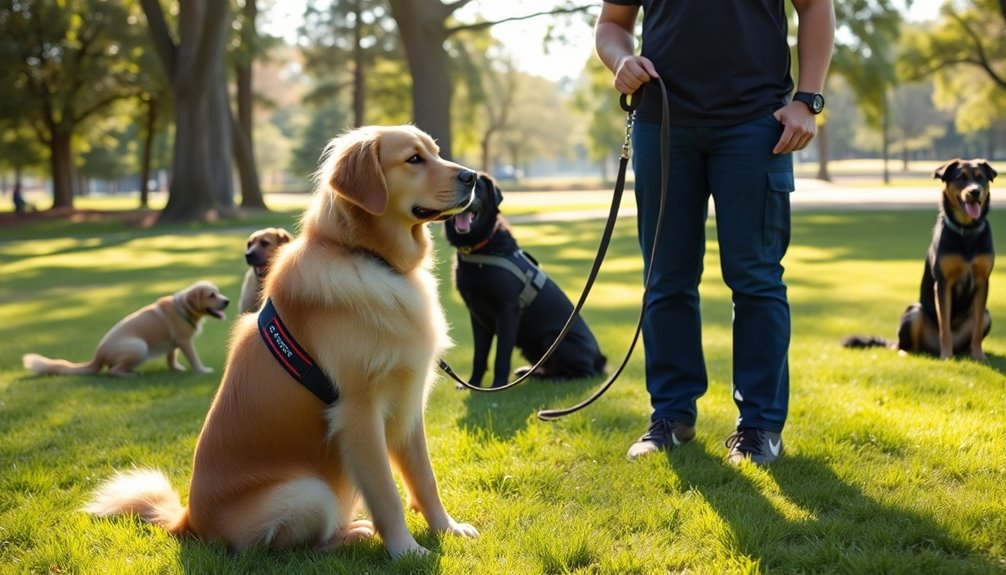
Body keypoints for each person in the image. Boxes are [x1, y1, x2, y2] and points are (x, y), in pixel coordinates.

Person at [595, 0, 835, 465]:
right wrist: (621, 59)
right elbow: (611, 24)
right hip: (661, 121)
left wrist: (808, 100)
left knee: (756, 277)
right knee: (665, 277)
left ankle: (760, 427)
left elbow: (816, 7)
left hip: (757, 126)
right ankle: (671, 416)